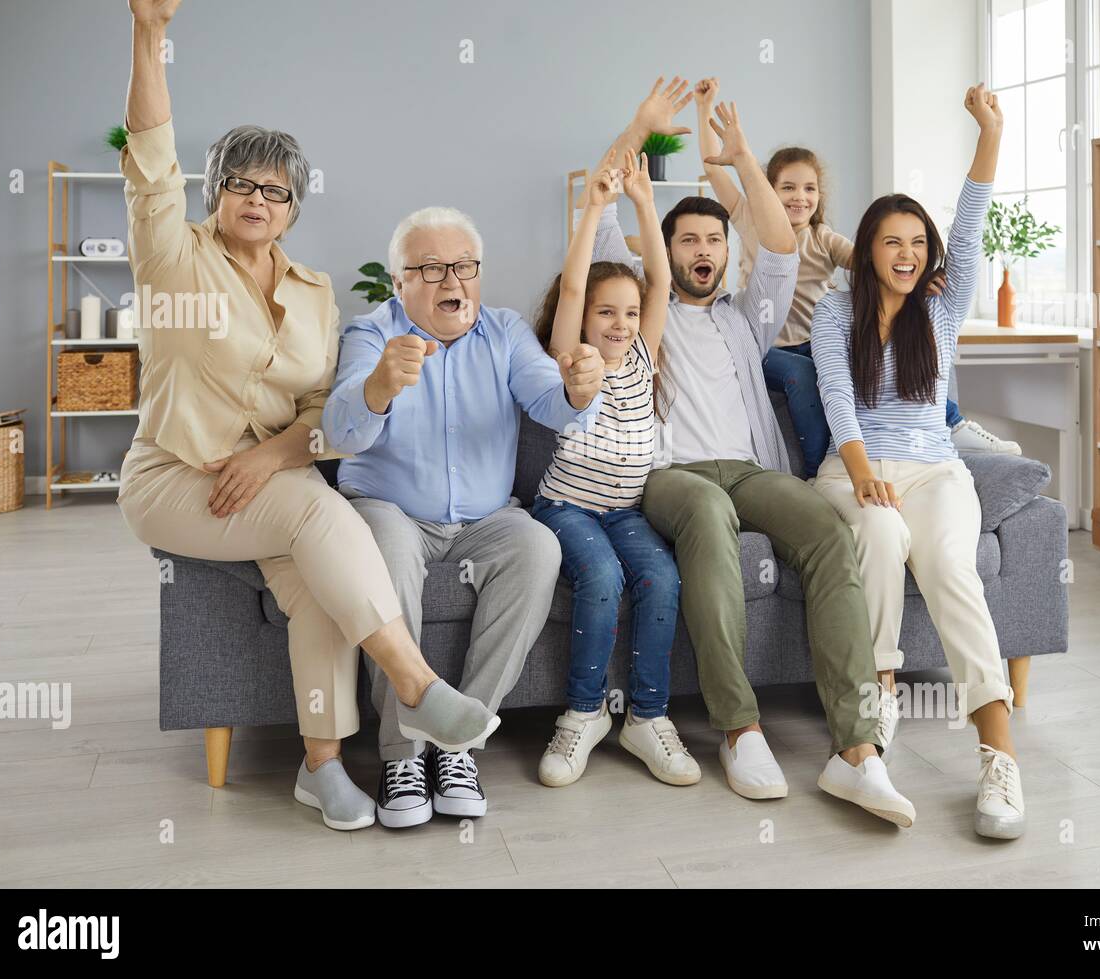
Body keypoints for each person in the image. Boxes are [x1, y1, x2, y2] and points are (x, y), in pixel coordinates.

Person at [114, 0, 495, 832]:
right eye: (243, 182)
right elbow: (148, 162)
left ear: (293, 208)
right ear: (217, 192)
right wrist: (149, 32)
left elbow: (323, 410)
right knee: (320, 510)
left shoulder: (315, 291)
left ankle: (321, 767)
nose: (259, 197)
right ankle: (415, 684)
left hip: (264, 481)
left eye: (276, 189)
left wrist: (271, 456)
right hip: (174, 479)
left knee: (319, 592)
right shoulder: (172, 258)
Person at [591, 78, 914, 826]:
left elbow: (780, 240)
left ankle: (857, 752)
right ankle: (740, 727)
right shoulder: (642, 312)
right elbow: (603, 204)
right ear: (665, 254)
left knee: (831, 534)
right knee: (706, 510)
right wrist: (641, 125)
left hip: (751, 471)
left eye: (712, 240)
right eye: (687, 240)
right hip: (671, 476)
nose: (703, 250)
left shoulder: (748, 317)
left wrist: (739, 157)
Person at [322, 203, 607, 828]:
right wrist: (378, 387)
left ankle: (459, 746)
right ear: (399, 282)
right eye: (429, 268)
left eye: (464, 266)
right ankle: (402, 753)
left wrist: (579, 392)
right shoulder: (370, 334)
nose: (451, 281)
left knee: (538, 548)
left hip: (486, 519)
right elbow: (339, 430)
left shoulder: (504, 332)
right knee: (386, 554)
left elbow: (549, 399)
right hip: (388, 508)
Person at [810, 83, 1025, 840]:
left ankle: (999, 759)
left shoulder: (942, 305)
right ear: (868, 250)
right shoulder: (837, 311)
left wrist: (990, 134)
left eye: (916, 243)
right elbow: (837, 394)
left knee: (951, 566)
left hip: (935, 470)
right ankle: (879, 703)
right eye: (891, 241)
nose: (908, 254)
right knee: (880, 534)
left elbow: (970, 226)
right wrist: (863, 467)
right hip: (852, 469)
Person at [693, 78, 1020, 476]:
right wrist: (703, 109)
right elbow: (715, 172)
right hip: (769, 347)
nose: (800, 196)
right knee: (801, 375)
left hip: (815, 342)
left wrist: (924, 275)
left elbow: (875, 263)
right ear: (768, 190)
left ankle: (952, 422)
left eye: (809, 188)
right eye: (788, 188)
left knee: (905, 346)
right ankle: (817, 471)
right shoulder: (750, 221)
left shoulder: (823, 238)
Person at [531, 149, 696, 788]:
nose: (621, 324)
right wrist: (596, 205)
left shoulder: (642, 356)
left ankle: (647, 719)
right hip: (565, 507)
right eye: (608, 313)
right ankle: (583, 713)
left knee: (659, 576)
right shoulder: (572, 359)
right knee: (600, 577)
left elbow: (659, 280)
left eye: (628, 314)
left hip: (625, 509)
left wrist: (646, 202)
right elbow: (573, 287)